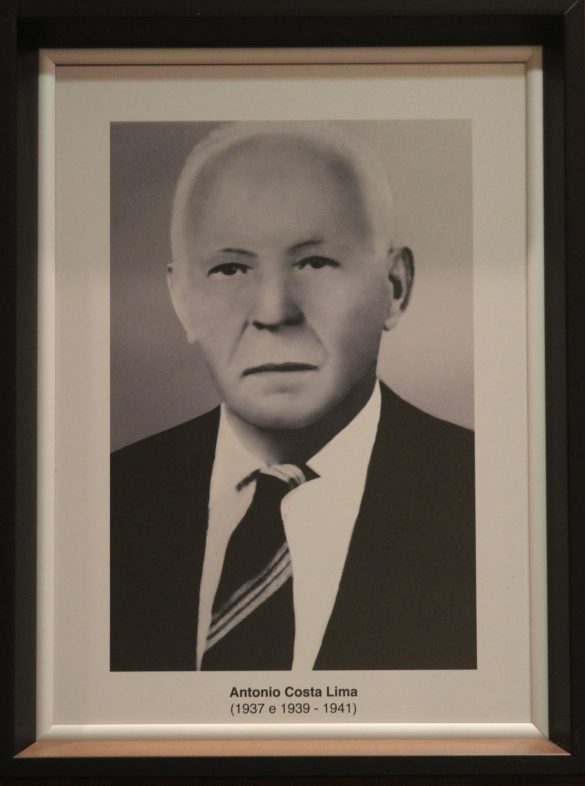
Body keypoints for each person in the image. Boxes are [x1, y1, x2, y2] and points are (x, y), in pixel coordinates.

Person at [110, 122, 476, 671]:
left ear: (395, 288)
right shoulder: (109, 503)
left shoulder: (490, 498)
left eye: (314, 262)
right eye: (230, 268)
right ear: (182, 300)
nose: (274, 311)